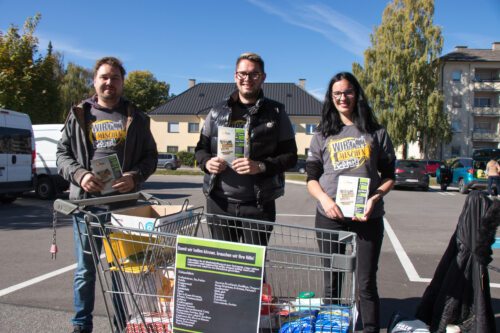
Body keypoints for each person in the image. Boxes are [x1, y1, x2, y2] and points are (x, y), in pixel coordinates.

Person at [57, 56, 158, 333]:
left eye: (115, 78)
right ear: (95, 81)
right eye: (104, 77)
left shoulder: (137, 118)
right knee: (85, 272)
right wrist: (81, 175)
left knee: (121, 274)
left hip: (124, 209)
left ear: (122, 82)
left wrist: (135, 177)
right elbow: (62, 155)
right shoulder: (79, 114)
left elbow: (151, 157)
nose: (109, 82)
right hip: (87, 208)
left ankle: (123, 325)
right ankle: (81, 325)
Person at [306, 72, 395, 333]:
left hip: (367, 216)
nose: (342, 98)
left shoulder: (376, 132)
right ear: (331, 98)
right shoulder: (322, 134)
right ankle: (332, 328)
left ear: (356, 94)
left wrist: (375, 198)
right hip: (330, 216)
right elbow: (311, 179)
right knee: (332, 281)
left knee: (366, 283)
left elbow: (389, 176)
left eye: (347, 92)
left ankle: (369, 329)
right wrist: (325, 200)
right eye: (337, 94)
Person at [194, 52, 297, 246]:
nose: (247, 79)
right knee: (224, 268)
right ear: (235, 76)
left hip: (258, 206)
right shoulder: (216, 111)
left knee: (253, 271)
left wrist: (261, 166)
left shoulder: (276, 112)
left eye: (254, 74)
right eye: (242, 74)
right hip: (219, 204)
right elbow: (201, 149)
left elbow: (290, 157)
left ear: (263, 77)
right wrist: (207, 162)